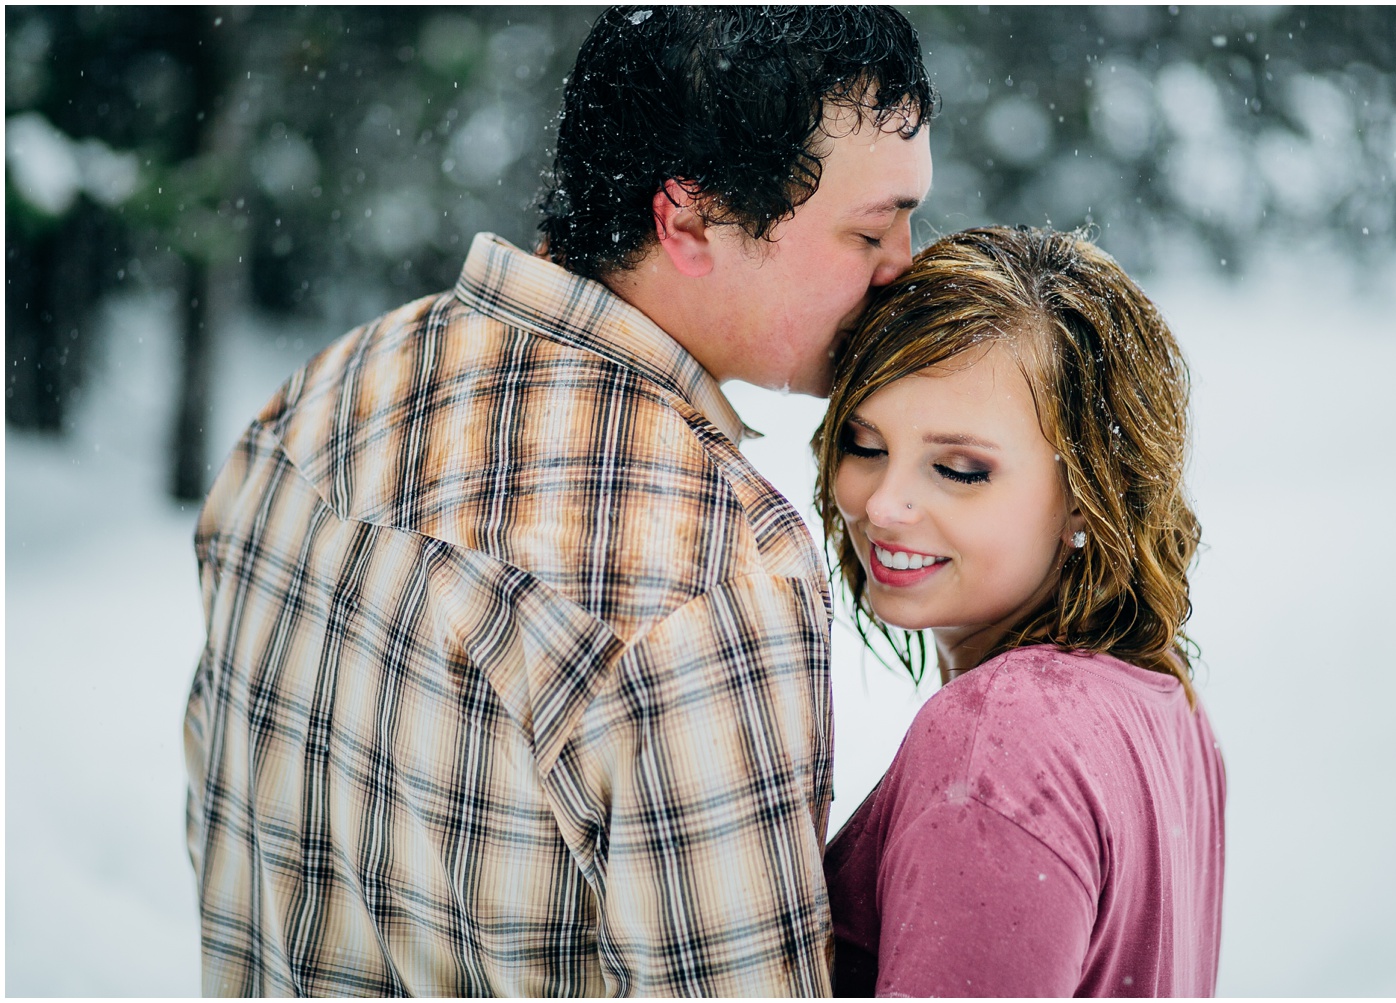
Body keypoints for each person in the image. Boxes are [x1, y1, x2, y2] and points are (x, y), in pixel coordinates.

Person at [184, 7, 933, 996]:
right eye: (873, 228)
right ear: (692, 221)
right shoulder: (709, 574)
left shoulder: (323, 399)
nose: (907, 266)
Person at [814, 226, 1226, 997]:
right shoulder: (1165, 700)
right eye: (865, 445)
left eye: (959, 469)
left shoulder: (994, 744)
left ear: (1087, 495)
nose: (884, 502)